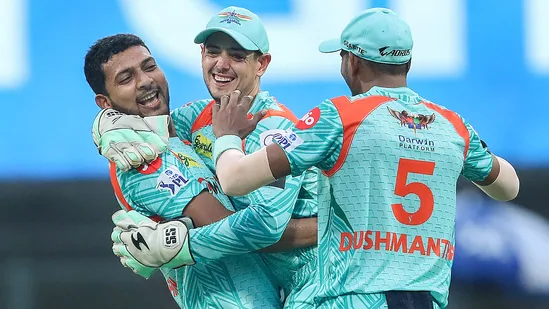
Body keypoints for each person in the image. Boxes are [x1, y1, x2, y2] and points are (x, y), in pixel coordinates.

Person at [205, 8, 520, 308]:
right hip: (424, 301)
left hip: (348, 299)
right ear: (407, 64)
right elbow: (508, 187)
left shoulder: (339, 118)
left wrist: (227, 136)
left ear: (352, 62)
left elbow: (235, 179)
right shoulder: (452, 126)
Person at [92, 6, 321, 309]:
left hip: (314, 290)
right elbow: (164, 128)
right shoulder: (180, 128)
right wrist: (105, 125)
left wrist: (180, 245)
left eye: (238, 56)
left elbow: (263, 230)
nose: (221, 65)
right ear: (201, 54)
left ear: (261, 64)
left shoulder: (274, 129)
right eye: (213, 52)